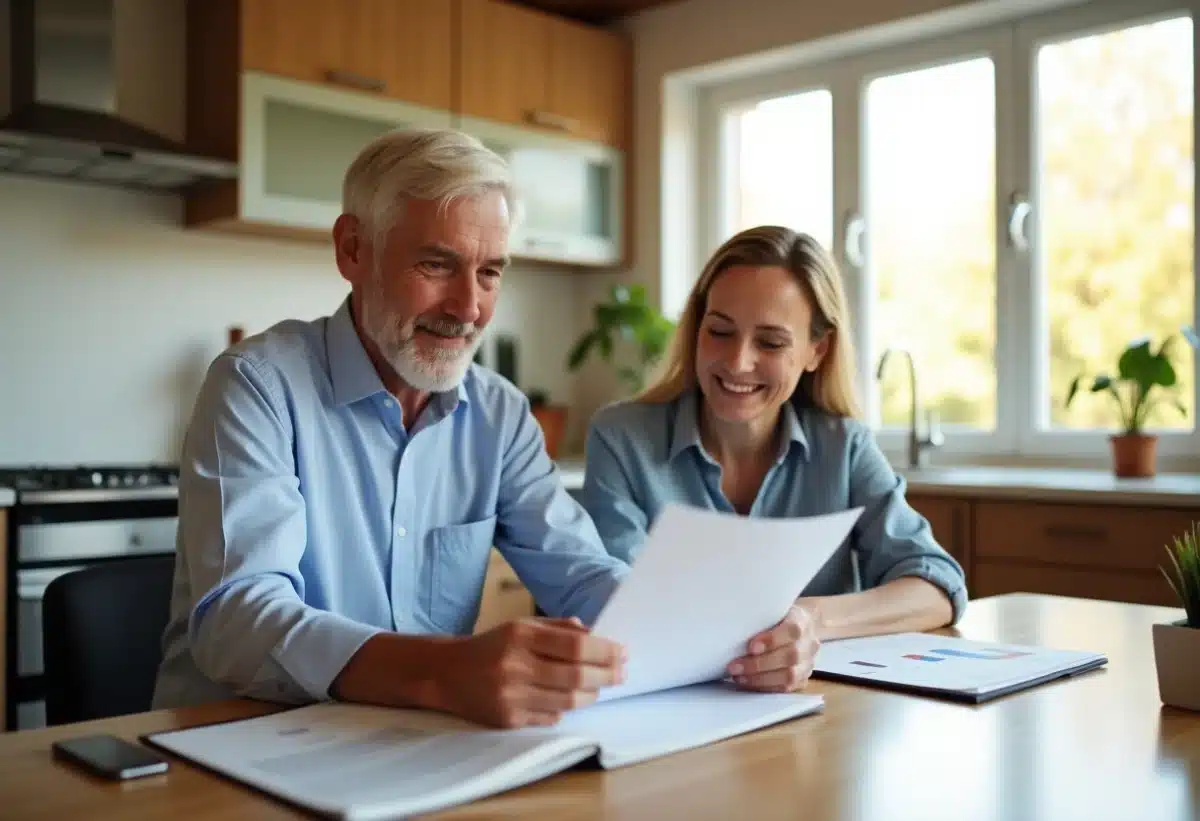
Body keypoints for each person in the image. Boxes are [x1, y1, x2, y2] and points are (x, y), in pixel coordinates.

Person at [152, 130, 817, 728]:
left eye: (491, 271)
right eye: (436, 265)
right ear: (353, 250)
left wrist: (736, 635)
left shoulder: (498, 414)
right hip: (234, 747)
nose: (469, 307)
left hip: (406, 748)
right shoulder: (256, 386)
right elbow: (237, 620)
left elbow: (583, 575)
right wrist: (444, 670)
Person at [578, 226, 967, 688]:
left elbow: (938, 586)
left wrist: (811, 618)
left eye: (770, 342)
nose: (738, 362)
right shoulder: (622, 438)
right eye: (720, 331)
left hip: (817, 714)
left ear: (815, 351)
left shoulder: (843, 447)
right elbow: (621, 605)